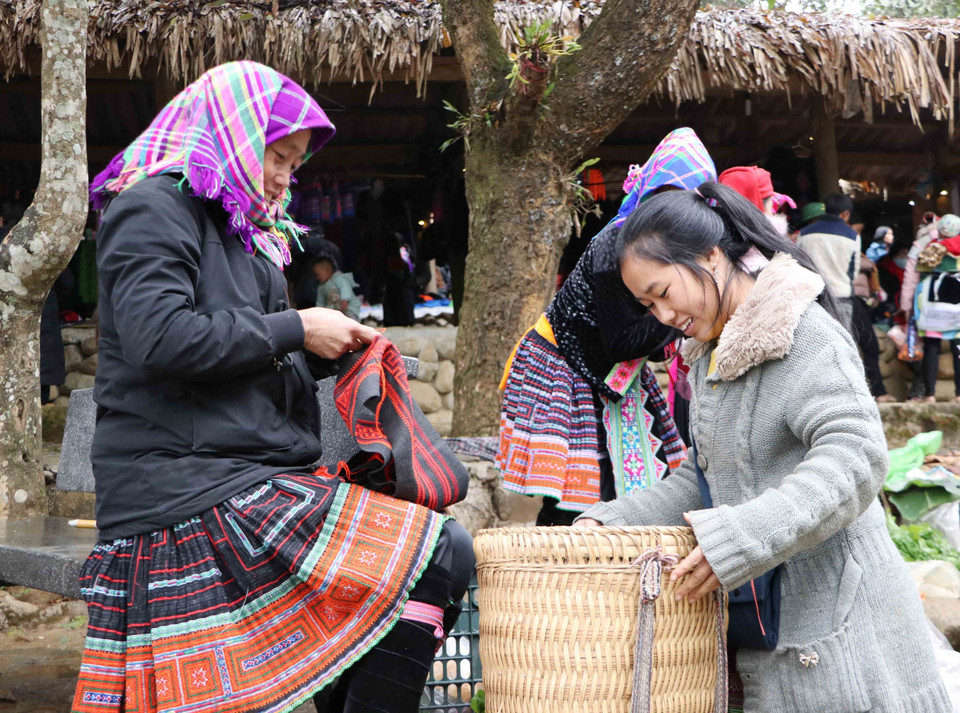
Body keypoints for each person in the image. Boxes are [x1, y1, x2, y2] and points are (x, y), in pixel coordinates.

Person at [73, 61, 473, 713]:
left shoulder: (249, 236)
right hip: (183, 488)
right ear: (230, 137)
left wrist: (328, 349)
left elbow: (251, 352)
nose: (289, 177)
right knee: (438, 550)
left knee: (417, 573)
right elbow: (161, 340)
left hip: (243, 475)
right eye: (279, 156)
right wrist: (296, 325)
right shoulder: (148, 209)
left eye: (294, 161)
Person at [577, 182, 949, 712]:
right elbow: (702, 475)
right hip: (774, 638)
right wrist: (607, 523)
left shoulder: (805, 334)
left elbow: (857, 458)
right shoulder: (710, 353)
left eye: (662, 292)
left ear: (709, 254)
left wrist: (741, 537)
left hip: (849, 643)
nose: (660, 315)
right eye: (647, 304)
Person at [499, 128, 711, 526]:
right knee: (579, 493)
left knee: (647, 478)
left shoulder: (666, 251)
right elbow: (622, 341)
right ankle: (565, 577)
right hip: (570, 363)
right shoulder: (620, 247)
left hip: (613, 371)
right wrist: (684, 314)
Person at [797, 193, 891, 401]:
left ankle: (818, 396)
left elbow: (800, 264)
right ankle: (854, 394)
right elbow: (853, 270)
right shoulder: (851, 236)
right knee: (847, 345)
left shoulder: (805, 233)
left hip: (812, 297)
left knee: (816, 347)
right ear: (846, 214)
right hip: (842, 297)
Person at [313, 254, 362, 321]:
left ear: (327, 270)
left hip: (347, 308)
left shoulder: (339, 278)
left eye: (318, 275)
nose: (316, 278)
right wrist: (319, 312)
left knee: (350, 319)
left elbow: (346, 288)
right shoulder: (321, 287)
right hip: (333, 311)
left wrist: (345, 300)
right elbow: (320, 302)